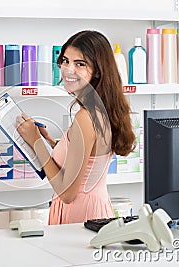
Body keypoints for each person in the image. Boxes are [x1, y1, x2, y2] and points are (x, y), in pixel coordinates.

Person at [16, 30, 136, 224]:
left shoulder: (86, 117)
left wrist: (36, 142)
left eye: (80, 64)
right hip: (92, 210)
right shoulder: (99, 109)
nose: (68, 70)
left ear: (97, 70)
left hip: (81, 216)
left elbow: (67, 193)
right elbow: (86, 161)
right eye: (65, 61)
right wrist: (52, 143)